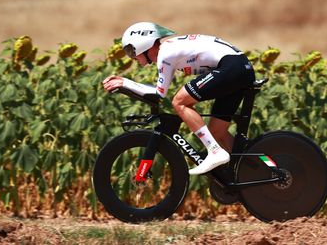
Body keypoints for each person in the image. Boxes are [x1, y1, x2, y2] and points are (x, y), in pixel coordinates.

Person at [103, 22, 255, 175]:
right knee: (216, 132)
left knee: (179, 101)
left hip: (232, 67)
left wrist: (125, 83)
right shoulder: (169, 49)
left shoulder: (165, 54)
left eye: (131, 50)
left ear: (143, 44)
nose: (132, 57)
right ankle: (251, 170)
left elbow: (159, 94)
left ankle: (215, 151)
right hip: (238, 67)